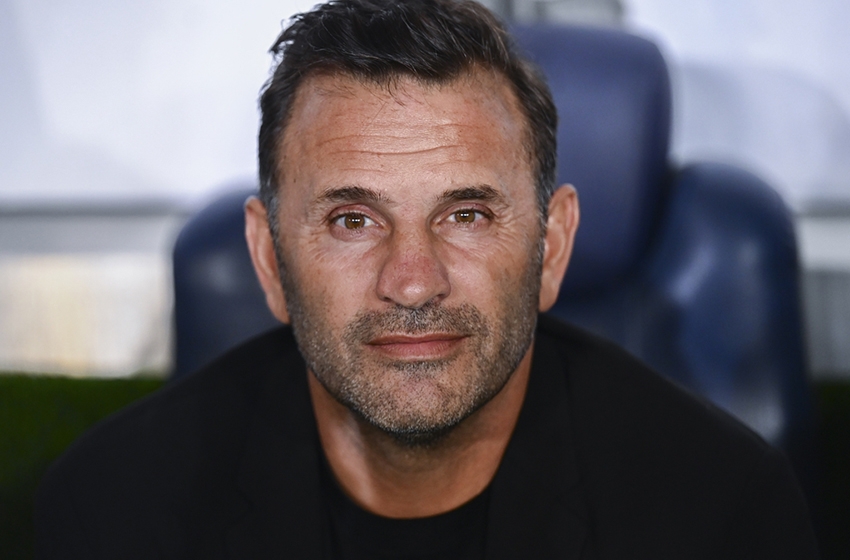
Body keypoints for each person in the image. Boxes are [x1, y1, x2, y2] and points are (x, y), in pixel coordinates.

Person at [36, 0, 818, 558]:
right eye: (353, 221)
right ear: (269, 259)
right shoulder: (114, 512)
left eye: (466, 214)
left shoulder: (721, 512)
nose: (412, 283)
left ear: (551, 248)